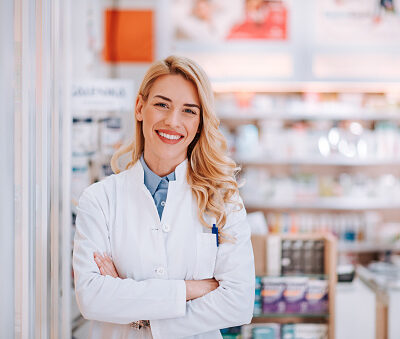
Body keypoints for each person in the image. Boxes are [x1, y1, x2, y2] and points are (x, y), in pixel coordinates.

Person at [72, 55, 255, 339]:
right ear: (139, 107)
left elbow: (238, 303)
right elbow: (92, 297)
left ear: (200, 123)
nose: (172, 121)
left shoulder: (224, 200)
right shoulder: (99, 199)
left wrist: (139, 313)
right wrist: (193, 289)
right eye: (162, 105)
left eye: (189, 111)